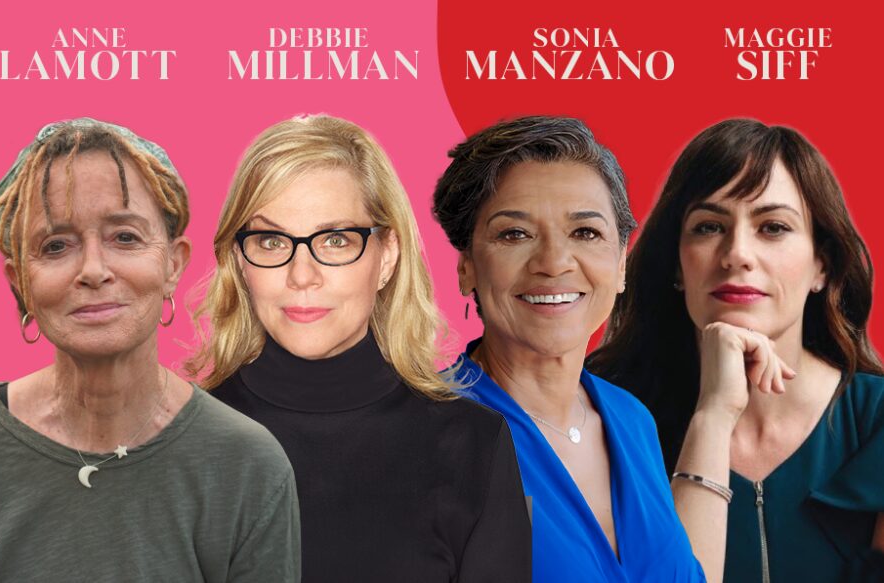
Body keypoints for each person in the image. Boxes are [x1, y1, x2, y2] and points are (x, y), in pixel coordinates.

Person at [188, 114, 531, 582]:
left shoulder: (474, 445)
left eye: (334, 240)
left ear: (386, 255)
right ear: (239, 260)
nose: (302, 275)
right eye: (271, 240)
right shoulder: (178, 448)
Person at [0, 118, 301, 582]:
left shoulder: (247, 466)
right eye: (56, 245)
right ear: (21, 284)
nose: (94, 270)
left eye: (125, 237)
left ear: (172, 265)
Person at [588, 118, 884, 582]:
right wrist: (713, 416)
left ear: (821, 267)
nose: (737, 253)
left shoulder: (877, 421)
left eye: (773, 227)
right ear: (677, 265)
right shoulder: (603, 419)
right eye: (708, 227)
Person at [432, 115, 704, 582]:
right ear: (467, 268)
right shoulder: (427, 435)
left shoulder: (632, 418)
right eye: (514, 234)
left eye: (585, 233)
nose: (554, 263)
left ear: (620, 264)